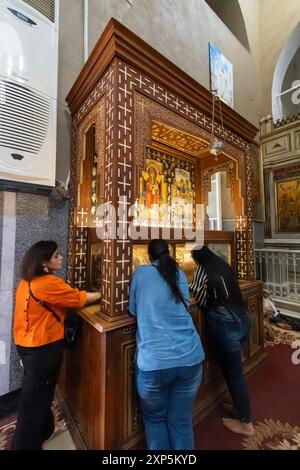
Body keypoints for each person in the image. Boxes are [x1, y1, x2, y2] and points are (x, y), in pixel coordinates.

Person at [12, 240, 100, 450]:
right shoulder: (48, 283)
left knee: (32, 400)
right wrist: (104, 294)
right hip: (44, 348)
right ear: (44, 263)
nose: (61, 258)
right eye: (56, 256)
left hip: (26, 346)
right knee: (37, 404)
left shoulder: (27, 282)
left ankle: (39, 434)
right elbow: (78, 298)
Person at [129, 239, 204, 450]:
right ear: (169, 252)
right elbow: (185, 305)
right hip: (191, 356)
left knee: (154, 419)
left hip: (155, 362)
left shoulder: (141, 273)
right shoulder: (178, 273)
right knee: (181, 421)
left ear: (148, 255)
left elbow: (133, 310)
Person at [189, 245, 255, 436]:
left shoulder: (202, 268)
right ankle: (239, 407)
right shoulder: (221, 264)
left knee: (234, 374)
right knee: (234, 371)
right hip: (242, 319)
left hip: (225, 325)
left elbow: (201, 298)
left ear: (196, 258)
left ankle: (246, 423)